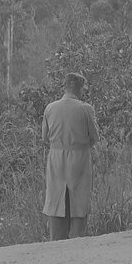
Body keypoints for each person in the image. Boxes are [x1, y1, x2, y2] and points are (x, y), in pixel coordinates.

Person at [42, 72, 101, 241]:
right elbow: (95, 137)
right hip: (80, 160)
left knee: (56, 199)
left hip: (56, 159)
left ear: (65, 86)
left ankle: (56, 241)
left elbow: (44, 138)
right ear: (79, 88)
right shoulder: (85, 109)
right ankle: (76, 242)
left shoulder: (50, 108)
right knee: (78, 202)